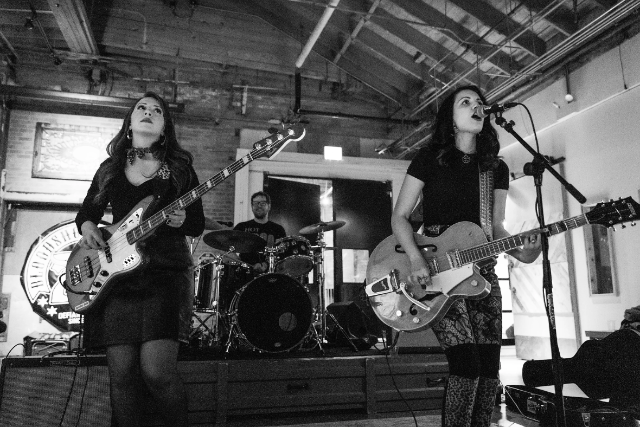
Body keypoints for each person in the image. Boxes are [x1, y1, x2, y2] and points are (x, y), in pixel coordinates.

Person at [390, 85, 541, 427]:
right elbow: (399, 217)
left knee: (488, 369)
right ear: (451, 116)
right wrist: (415, 259)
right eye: (466, 102)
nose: (477, 106)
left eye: (479, 102)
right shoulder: (428, 159)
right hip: (438, 270)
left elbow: (496, 227)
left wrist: (523, 251)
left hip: (482, 272)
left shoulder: (494, 168)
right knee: (466, 365)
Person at [75, 92, 205, 427]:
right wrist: (88, 228)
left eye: (157, 110)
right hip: (117, 277)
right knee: (121, 375)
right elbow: (87, 214)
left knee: (157, 373)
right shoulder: (110, 169)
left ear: (163, 129)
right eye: (141, 108)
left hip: (165, 274)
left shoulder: (179, 169)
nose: (148, 112)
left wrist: (181, 221)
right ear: (130, 124)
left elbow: (196, 223)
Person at [233, 191, 287, 275]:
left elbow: (281, 254)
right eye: (255, 203)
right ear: (252, 206)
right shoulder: (242, 227)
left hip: (270, 274)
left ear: (269, 206)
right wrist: (238, 261)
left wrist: (265, 264)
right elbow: (226, 246)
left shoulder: (278, 229)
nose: (259, 206)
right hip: (245, 273)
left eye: (262, 203)